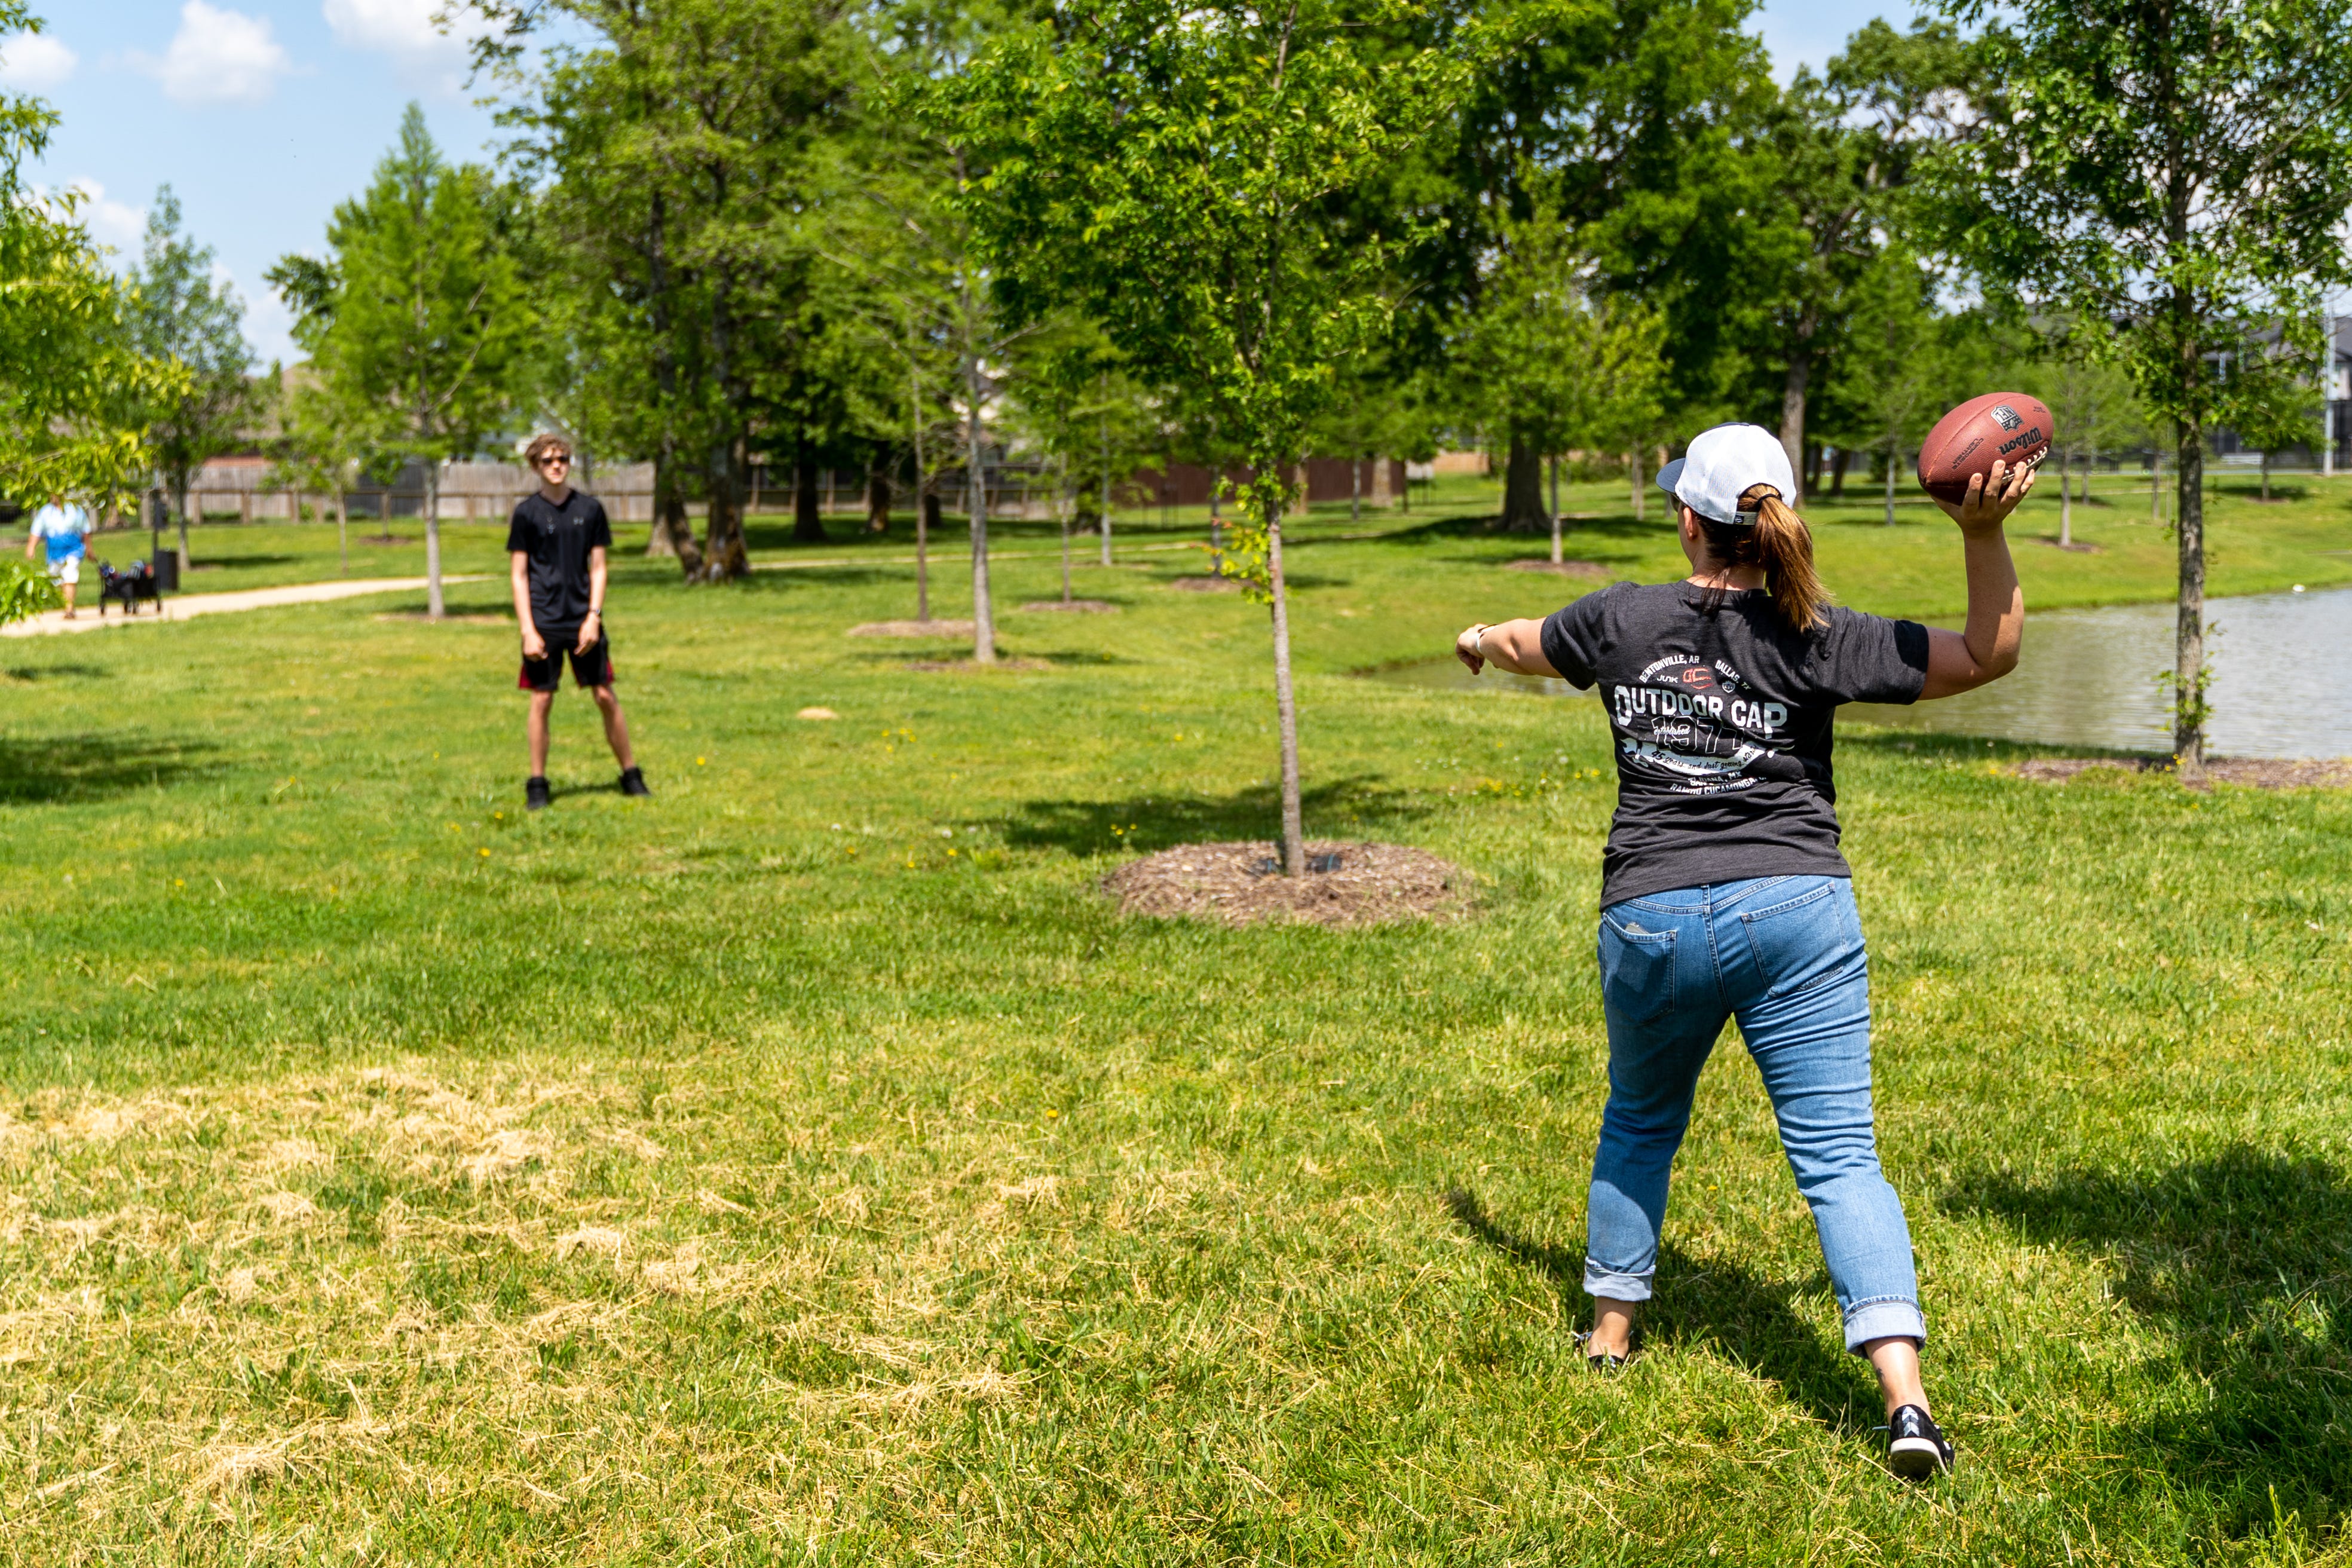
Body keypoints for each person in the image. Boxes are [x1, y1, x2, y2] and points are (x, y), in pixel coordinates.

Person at [1453, 423, 2033, 1481]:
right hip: (1797, 911)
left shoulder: (1617, 617)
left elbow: (1526, 641)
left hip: (1651, 915)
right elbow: (1988, 654)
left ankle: (1608, 1338)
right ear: (1773, 524)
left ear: (1687, 518)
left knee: (1640, 1117)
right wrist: (1982, 532)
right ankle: (1905, 1401)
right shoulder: (1818, 632)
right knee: (1840, 1154)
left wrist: (1480, 637)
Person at [507, 433, 648, 810]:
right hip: (544, 622)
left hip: (583, 620)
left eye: (563, 459)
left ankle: (631, 775)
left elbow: (599, 568)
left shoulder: (590, 509)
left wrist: (593, 618)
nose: (557, 466)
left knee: (604, 694)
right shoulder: (526, 514)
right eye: (549, 460)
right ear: (536, 466)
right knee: (541, 700)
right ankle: (537, 783)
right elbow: (519, 575)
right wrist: (528, 631)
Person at [24, 492, 94, 618]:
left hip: (74, 550)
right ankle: (67, 603)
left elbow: (86, 531)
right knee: (57, 579)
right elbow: (36, 531)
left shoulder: (75, 509)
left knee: (70, 576)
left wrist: (89, 550)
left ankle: (69, 609)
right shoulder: (45, 512)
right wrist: (31, 548)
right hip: (54, 553)